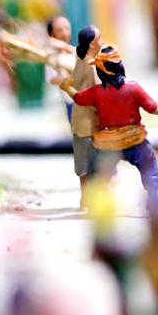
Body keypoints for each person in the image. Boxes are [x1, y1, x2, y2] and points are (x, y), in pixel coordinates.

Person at [61, 46, 158, 203]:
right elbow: (151, 106)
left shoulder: (96, 92)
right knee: (149, 165)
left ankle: (97, 201)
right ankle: (154, 196)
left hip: (108, 143)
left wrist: (67, 87)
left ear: (101, 72)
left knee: (96, 173)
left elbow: (78, 98)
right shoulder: (133, 88)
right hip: (134, 139)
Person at [57, 25, 101, 208]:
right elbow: (96, 95)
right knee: (92, 161)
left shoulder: (81, 58)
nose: (102, 41)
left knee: (83, 161)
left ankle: (86, 198)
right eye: (99, 38)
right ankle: (91, 199)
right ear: (92, 44)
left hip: (79, 117)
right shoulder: (92, 66)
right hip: (89, 120)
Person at [44, 16, 76, 123]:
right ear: (52, 34)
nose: (65, 33)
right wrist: (69, 79)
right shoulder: (52, 57)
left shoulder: (74, 51)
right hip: (71, 100)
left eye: (67, 28)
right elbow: (51, 79)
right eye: (59, 30)